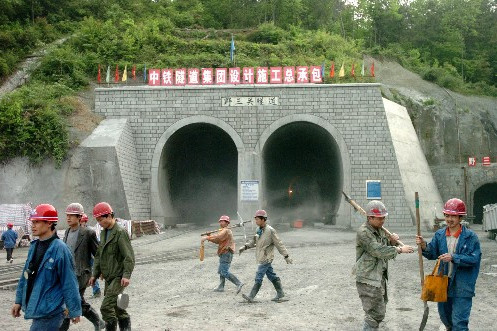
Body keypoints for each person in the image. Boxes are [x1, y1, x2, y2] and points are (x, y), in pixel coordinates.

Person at [11, 204, 81, 330]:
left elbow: (69, 282)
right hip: (39, 308)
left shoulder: (60, 249)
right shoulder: (34, 246)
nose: (33, 225)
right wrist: (18, 301)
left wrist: (74, 309)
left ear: (49, 223)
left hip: (51, 311)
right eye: (32, 222)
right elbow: (25, 277)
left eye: (37, 222)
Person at [416, 198, 481, 331]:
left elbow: (474, 259)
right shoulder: (440, 234)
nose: (449, 219)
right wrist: (423, 245)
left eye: (453, 216)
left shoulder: (470, 237)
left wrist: (453, 257)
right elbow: (432, 253)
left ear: (460, 217)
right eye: (447, 215)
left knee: (459, 323)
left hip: (463, 285)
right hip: (443, 283)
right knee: (446, 319)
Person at [354, 200, 414, 331]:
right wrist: (398, 249)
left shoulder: (379, 230)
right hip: (367, 278)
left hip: (378, 276)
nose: (382, 221)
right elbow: (377, 250)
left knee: (378, 310)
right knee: (375, 314)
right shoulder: (364, 232)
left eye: (384, 218)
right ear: (370, 218)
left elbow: (384, 245)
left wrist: (391, 241)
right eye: (380, 218)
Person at [89, 202, 135, 331]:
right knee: (118, 308)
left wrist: (126, 276)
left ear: (109, 215)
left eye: (101, 219)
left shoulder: (120, 232)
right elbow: (99, 255)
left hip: (118, 277)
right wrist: (95, 274)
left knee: (106, 307)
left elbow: (129, 256)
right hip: (109, 277)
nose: (99, 223)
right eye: (97, 220)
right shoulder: (104, 233)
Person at [60, 204, 105, 331]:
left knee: (69, 300)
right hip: (69, 275)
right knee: (78, 301)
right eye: (67, 215)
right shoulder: (67, 232)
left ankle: (62, 328)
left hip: (81, 274)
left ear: (79, 217)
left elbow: (98, 253)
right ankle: (99, 322)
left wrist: (99, 271)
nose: (68, 218)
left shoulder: (88, 233)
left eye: (71, 216)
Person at [239, 209, 292, 302]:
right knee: (271, 276)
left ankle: (251, 296)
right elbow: (254, 242)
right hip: (261, 257)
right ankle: (280, 293)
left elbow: (279, 244)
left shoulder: (270, 231)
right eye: (255, 219)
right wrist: (245, 247)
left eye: (257, 219)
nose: (256, 221)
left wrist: (286, 256)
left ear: (263, 219)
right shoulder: (258, 229)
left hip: (267, 258)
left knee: (259, 276)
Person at [201, 215, 243, 294]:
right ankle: (221, 287)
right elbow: (218, 241)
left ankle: (238, 283)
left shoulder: (226, 230)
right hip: (224, 253)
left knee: (223, 271)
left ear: (227, 223)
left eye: (222, 221)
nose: (220, 222)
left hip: (226, 253)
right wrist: (209, 236)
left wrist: (207, 238)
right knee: (221, 270)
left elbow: (218, 237)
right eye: (220, 221)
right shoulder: (224, 230)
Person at [80, 213, 102, 298]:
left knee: (93, 273)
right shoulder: (78, 232)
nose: (81, 224)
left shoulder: (90, 231)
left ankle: (96, 290)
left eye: (82, 222)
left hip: (91, 257)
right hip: (84, 257)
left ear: (85, 221)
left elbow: (96, 244)